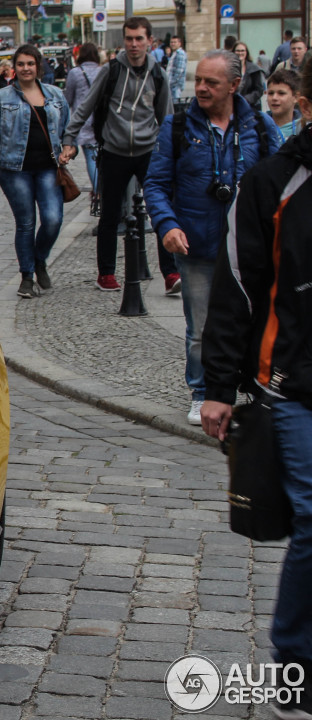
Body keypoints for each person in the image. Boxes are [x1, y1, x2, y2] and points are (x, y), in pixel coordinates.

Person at [199, 62, 312, 720]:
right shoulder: (273, 181)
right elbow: (237, 288)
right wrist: (218, 387)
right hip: (293, 384)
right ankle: (295, 664)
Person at [144, 50, 282, 425]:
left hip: (249, 249)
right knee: (201, 327)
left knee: (255, 321)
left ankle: (253, 387)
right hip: (198, 246)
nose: (201, 88)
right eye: (199, 80)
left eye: (211, 82)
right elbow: (155, 184)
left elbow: (283, 182)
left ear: (234, 86)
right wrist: (167, 225)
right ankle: (202, 392)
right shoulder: (177, 127)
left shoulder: (259, 126)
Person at [60, 17, 178, 294]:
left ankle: (171, 272)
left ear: (149, 40)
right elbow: (86, 107)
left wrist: (172, 151)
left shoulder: (157, 74)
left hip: (148, 151)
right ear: (123, 40)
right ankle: (107, 273)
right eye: (129, 38)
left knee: (162, 210)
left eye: (139, 38)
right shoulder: (111, 70)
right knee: (110, 215)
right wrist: (69, 137)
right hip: (114, 151)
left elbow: (167, 116)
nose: (134, 44)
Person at [0, 44, 70, 298]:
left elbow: (69, 128)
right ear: (14, 68)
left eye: (30, 64)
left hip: (49, 168)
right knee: (26, 222)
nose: (26, 68)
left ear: (37, 66)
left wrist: (69, 148)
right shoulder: (1, 98)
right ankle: (27, 276)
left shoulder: (55, 95)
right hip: (13, 169)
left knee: (53, 219)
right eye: (21, 64)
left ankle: (39, 259)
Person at [64, 43, 104, 198]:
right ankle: (102, 189)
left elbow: (69, 97)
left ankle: (98, 192)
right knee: (101, 158)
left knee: (91, 158)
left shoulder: (75, 73)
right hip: (101, 118)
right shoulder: (103, 71)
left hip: (84, 118)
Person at [267, 68, 303, 140]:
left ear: (296, 97)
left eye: (281, 93)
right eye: (271, 93)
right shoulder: (258, 126)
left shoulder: (303, 129)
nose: (274, 98)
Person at [235, 42, 267, 109]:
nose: (240, 53)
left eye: (242, 51)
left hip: (251, 106)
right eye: (237, 51)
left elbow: (259, 90)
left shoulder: (254, 69)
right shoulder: (228, 68)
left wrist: (246, 99)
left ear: (246, 52)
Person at [168, 36, 188, 100]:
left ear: (179, 43)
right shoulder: (175, 53)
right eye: (171, 42)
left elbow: (179, 71)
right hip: (172, 85)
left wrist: (172, 82)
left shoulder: (180, 53)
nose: (173, 44)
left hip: (175, 86)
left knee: (175, 105)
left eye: (174, 42)